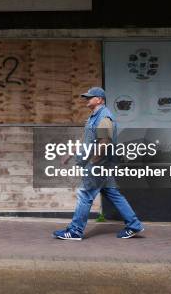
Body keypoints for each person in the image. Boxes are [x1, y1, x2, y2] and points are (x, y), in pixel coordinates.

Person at [53, 87, 144, 240]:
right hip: (100, 164)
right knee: (112, 193)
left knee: (85, 194)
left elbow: (105, 141)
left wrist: (95, 161)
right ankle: (134, 224)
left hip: (99, 164)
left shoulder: (104, 118)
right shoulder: (93, 117)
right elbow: (86, 139)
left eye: (90, 97)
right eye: (86, 97)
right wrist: (70, 153)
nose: (87, 99)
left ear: (100, 99)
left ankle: (75, 231)